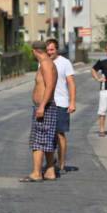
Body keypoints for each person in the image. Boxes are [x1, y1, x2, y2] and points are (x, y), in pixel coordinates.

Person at [20, 41, 58, 182]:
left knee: (38, 141)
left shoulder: (46, 64)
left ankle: (36, 173)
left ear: (35, 51)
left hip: (45, 107)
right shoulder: (46, 63)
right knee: (47, 140)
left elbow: (49, 87)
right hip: (45, 106)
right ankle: (50, 171)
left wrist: (41, 106)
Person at [46, 38, 76, 174]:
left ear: (56, 49)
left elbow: (71, 83)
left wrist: (72, 102)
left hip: (61, 103)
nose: (49, 52)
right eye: (47, 50)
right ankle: (50, 164)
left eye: (51, 49)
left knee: (60, 134)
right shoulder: (43, 63)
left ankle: (62, 163)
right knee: (47, 135)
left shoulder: (65, 63)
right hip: (47, 104)